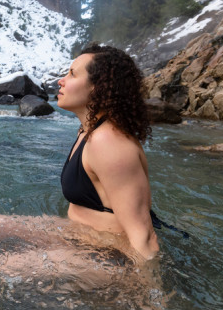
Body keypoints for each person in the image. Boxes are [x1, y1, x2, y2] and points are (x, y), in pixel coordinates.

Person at [57, 42, 159, 260]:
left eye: (72, 74)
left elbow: (145, 237)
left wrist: (146, 292)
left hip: (110, 257)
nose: (61, 80)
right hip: (80, 237)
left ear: (97, 87)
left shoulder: (108, 142)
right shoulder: (88, 131)